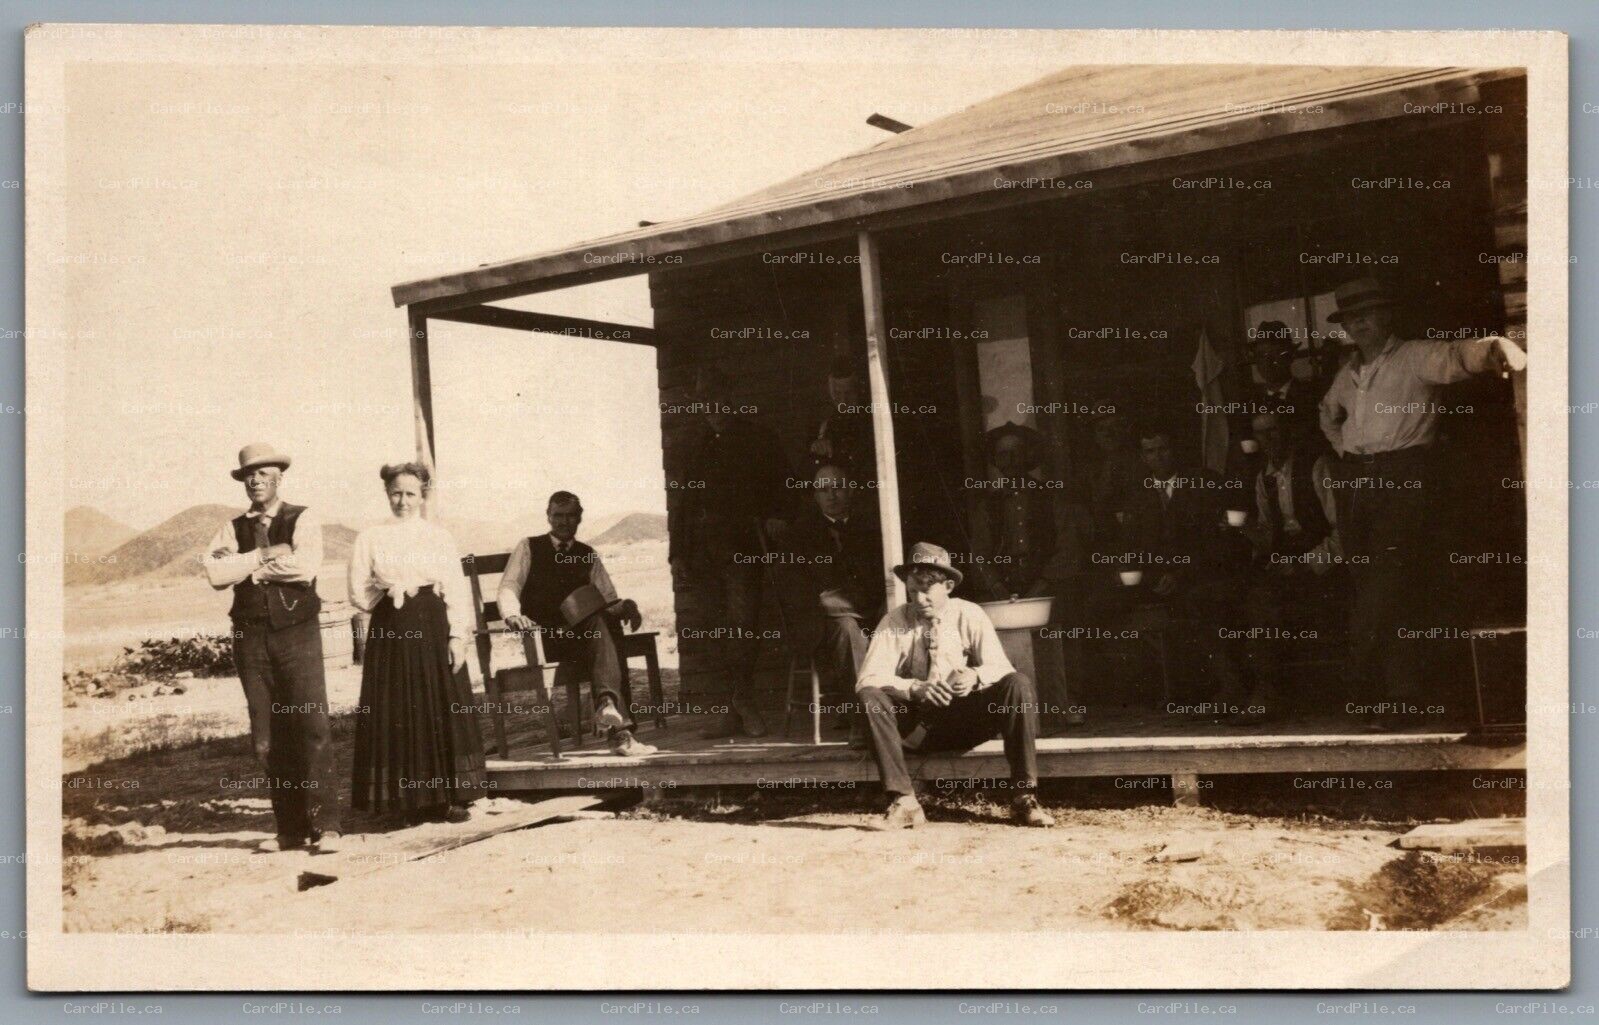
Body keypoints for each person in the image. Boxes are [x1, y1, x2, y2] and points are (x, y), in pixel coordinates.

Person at [1318, 277, 1516, 730]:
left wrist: (1496, 348)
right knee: (1370, 581)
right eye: (1351, 317)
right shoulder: (1347, 373)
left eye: (1367, 313)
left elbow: (1457, 357)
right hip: (1358, 484)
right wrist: (1347, 453)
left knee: (1387, 585)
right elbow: (1328, 415)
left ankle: (1371, 687)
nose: (1360, 323)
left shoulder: (1413, 357)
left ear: (1387, 316)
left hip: (1403, 480)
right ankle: (1393, 696)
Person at [855, 542, 1055, 829]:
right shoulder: (894, 620)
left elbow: (1001, 667)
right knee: (869, 697)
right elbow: (869, 677)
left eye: (927, 589)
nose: (919, 598)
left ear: (948, 586)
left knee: (1017, 684)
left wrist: (975, 676)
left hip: (961, 722)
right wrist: (914, 688)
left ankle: (1024, 796)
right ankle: (904, 801)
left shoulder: (969, 614)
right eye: (912, 590)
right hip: (914, 727)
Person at [202, 443, 341, 853]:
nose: (255, 480)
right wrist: (264, 555)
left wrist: (243, 565)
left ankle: (327, 826)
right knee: (266, 735)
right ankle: (291, 828)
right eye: (249, 474)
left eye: (263, 473)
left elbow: (304, 566)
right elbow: (214, 573)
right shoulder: (232, 527)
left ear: (279, 477)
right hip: (250, 638)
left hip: (297, 634)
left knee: (311, 725)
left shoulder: (304, 518)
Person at [347, 463, 488, 822]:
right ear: (386, 494)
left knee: (439, 704)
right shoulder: (370, 537)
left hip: (431, 624)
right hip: (390, 629)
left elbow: (455, 589)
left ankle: (452, 797)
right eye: (396, 493)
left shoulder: (437, 536)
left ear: (422, 496)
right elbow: (358, 592)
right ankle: (405, 801)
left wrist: (458, 635)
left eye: (411, 493)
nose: (403, 501)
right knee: (396, 710)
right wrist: (389, 590)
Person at [670, 366, 794, 738]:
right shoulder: (693, 444)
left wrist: (777, 516)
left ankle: (745, 703)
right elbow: (681, 504)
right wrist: (677, 554)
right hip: (700, 554)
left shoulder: (758, 439)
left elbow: (785, 486)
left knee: (743, 626)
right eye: (707, 403)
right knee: (713, 630)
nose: (715, 408)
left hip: (742, 550)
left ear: (733, 401)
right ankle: (733, 706)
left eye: (721, 400)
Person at [1205, 412, 1343, 725]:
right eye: (1261, 434)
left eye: (1274, 431)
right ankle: (1234, 687)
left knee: (1262, 600)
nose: (1269, 440)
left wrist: (1305, 564)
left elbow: (1342, 531)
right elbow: (1269, 535)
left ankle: (1268, 694)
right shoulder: (1263, 478)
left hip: (1322, 569)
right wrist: (1246, 529)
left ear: (1288, 432)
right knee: (1214, 596)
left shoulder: (1316, 466)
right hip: (1282, 566)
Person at [498, 491, 658, 756]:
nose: (563, 522)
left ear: (579, 518)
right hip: (546, 640)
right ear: (548, 517)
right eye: (557, 516)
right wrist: (513, 615)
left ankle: (609, 707)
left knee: (605, 622)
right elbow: (509, 585)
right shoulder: (529, 547)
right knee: (608, 634)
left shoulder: (588, 554)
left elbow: (608, 599)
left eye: (570, 516)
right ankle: (619, 731)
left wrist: (627, 606)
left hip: (586, 640)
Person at [784, 462, 883, 742]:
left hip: (868, 610)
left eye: (838, 487)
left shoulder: (870, 528)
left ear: (850, 490)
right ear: (815, 497)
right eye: (823, 489)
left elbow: (878, 575)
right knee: (847, 630)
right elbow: (798, 591)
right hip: (818, 621)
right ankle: (864, 722)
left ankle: (905, 716)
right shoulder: (801, 534)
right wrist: (833, 603)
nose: (832, 495)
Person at [807, 355, 874, 476]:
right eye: (837, 393)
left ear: (859, 390)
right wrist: (816, 448)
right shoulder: (822, 425)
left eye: (849, 393)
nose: (843, 400)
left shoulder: (874, 420)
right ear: (830, 391)